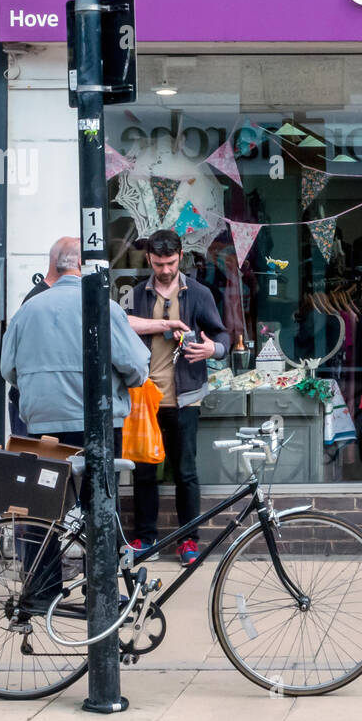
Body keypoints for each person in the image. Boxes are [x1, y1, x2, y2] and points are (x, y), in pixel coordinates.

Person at [126, 229, 230, 566]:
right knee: (143, 470)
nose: (165, 269)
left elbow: (222, 334)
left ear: (181, 256)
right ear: (149, 260)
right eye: (159, 263)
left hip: (186, 397)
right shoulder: (137, 293)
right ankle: (145, 537)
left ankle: (188, 540)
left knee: (186, 471)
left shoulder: (198, 293)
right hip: (144, 397)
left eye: (170, 262)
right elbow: (121, 324)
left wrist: (214, 349)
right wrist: (162, 325)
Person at [0, 237, 150, 451]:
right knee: (98, 483)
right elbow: (136, 365)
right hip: (97, 421)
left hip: (42, 423)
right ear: (82, 263)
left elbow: (7, 369)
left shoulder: (26, 310)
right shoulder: (104, 307)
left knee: (51, 482)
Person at [8, 237, 74, 436]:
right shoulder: (39, 301)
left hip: (38, 406)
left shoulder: (39, 299)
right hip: (37, 409)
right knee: (39, 465)